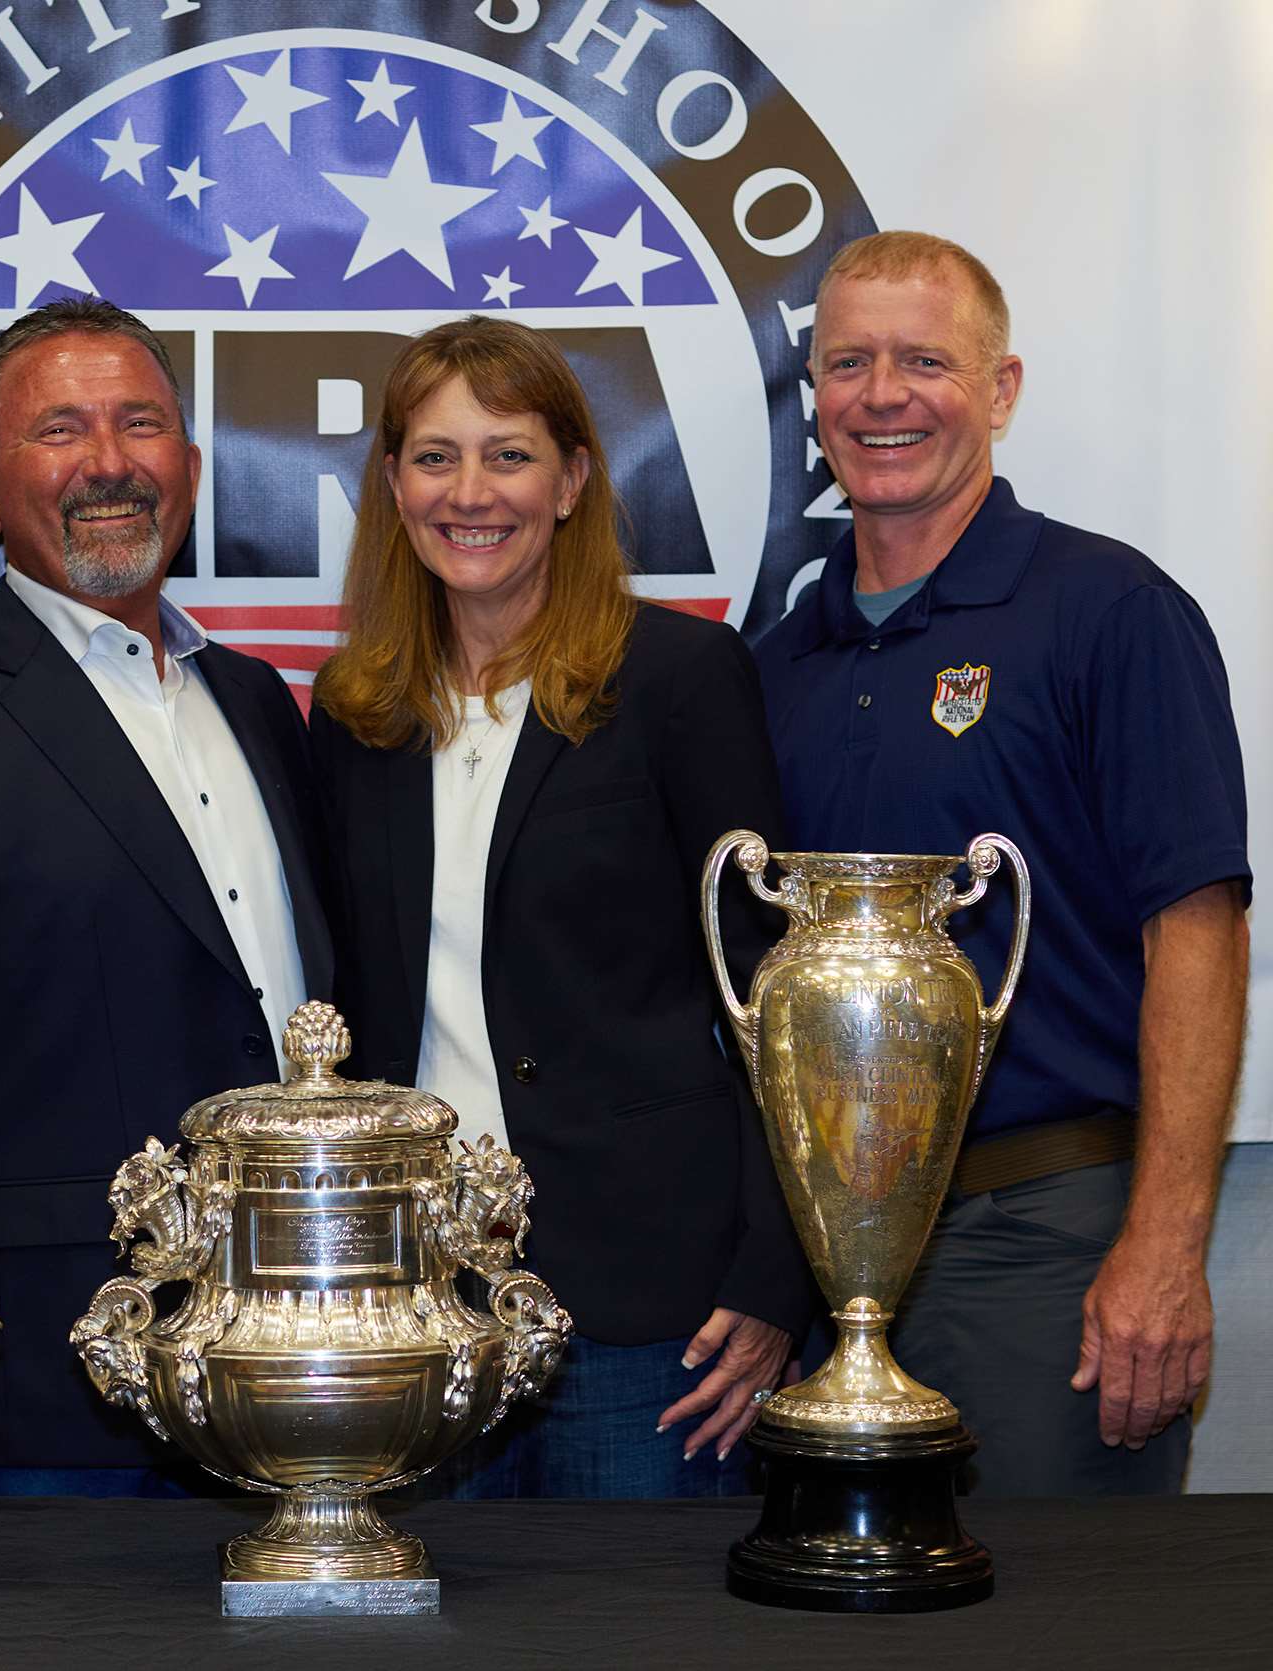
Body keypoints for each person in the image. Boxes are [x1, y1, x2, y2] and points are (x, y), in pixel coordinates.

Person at [0, 297, 335, 1509]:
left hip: (294, 1363)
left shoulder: (257, 703)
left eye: (139, 425)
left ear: (188, 468)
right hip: (47, 1387)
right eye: (59, 431)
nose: (107, 463)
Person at [754, 231, 1251, 1494]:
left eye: (923, 361)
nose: (881, 396)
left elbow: (1196, 930)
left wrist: (1161, 1249)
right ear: (811, 397)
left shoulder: (1108, 612)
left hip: (1040, 1235)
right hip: (822, 1261)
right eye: (846, 364)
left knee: (1050, 1593)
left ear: (1000, 388)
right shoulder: (775, 663)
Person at [308, 316, 811, 1497]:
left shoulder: (679, 681)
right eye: (434, 458)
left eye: (509, 455)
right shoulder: (353, 712)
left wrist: (776, 1277)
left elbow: (771, 990)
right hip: (417, 1298)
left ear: (572, 480)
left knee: (628, 1599)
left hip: (649, 1303)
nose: (469, 493)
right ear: (392, 484)